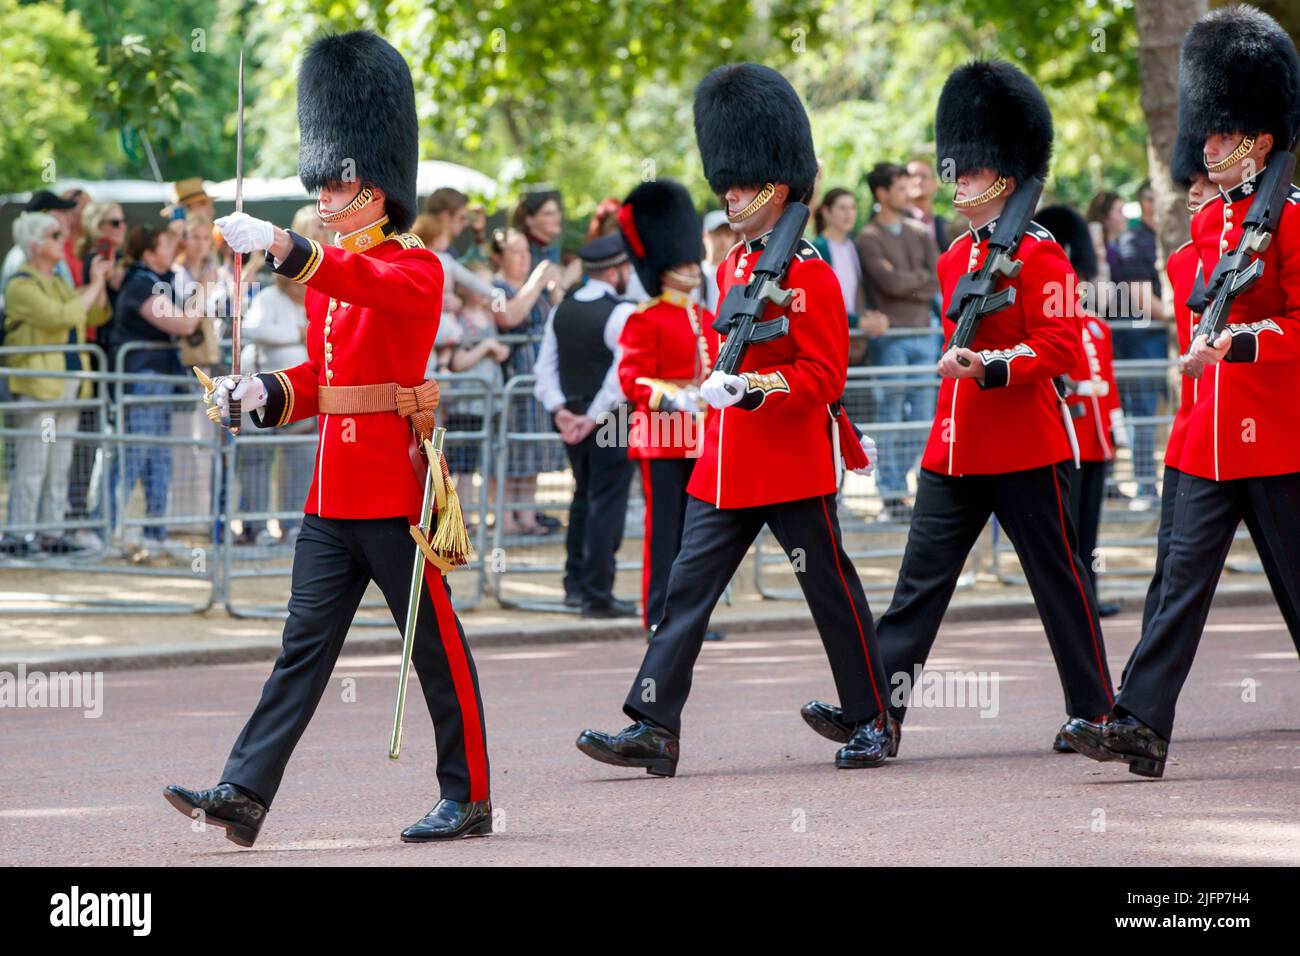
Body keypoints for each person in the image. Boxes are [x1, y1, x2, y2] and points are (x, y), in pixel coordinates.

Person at [162, 30, 492, 844]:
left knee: (435, 650)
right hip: (332, 495)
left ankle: (471, 795)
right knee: (299, 652)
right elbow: (325, 377)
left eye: (334, 188)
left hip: (394, 489)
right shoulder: (329, 273)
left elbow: (360, 278)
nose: (323, 199)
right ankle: (243, 791)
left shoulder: (412, 267)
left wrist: (284, 245)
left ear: (372, 191)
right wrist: (260, 392)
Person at [576, 63, 893, 777]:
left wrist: (750, 388)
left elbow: (823, 376)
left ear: (776, 186)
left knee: (829, 592)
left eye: (741, 184)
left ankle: (873, 717)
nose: (730, 193)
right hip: (725, 464)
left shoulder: (807, 270)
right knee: (685, 596)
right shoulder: (739, 265)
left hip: (787, 459)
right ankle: (655, 724)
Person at [806, 61, 1116, 755]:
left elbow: (1061, 348)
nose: (956, 183)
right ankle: (881, 719)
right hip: (954, 449)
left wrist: (994, 368)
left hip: (1027, 447)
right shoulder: (952, 258)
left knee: (1058, 584)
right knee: (918, 591)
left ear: (1004, 178)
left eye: (969, 174)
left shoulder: (1043, 258)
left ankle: (1097, 712)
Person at [1064, 6, 1300, 777]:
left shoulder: (1292, 223)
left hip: (1277, 433)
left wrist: (1245, 342)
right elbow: (1189, 305)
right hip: (1209, 438)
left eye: (1221, 135)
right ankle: (1140, 721)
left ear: (1260, 140)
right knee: (1177, 584)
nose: (1206, 147)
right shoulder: (1207, 230)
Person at [613, 178, 723, 638]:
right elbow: (631, 378)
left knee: (697, 538)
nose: (691, 269)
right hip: (661, 439)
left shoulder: (704, 317)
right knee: (665, 537)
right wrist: (671, 396)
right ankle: (659, 616)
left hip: (700, 435)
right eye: (681, 261)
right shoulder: (645, 317)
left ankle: (690, 619)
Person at [533, 234, 638, 617]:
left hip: (572, 418)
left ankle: (574, 585)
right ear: (614, 271)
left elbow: (544, 369)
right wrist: (592, 416)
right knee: (606, 503)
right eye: (625, 268)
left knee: (583, 499)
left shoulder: (564, 309)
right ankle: (597, 591)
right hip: (609, 419)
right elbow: (620, 374)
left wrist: (562, 411)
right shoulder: (623, 312)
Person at [0, 213, 110, 555]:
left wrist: (98, 281)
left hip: (69, 384)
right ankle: (20, 534)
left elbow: (94, 315)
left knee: (59, 463)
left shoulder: (60, 281)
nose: (62, 238)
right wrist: (92, 288)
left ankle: (49, 532)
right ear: (35, 244)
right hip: (39, 385)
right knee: (34, 463)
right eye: (54, 234)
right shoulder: (21, 284)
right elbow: (60, 316)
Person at [1036, 204, 1126, 622]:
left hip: (1097, 441)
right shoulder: (1054, 323)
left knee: (1088, 528)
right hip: (1068, 435)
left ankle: (1089, 595)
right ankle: (1071, 602)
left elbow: (1107, 385)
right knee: (1066, 529)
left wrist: (1115, 428)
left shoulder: (1096, 327)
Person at [235, 204, 325, 545]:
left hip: (304, 400)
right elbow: (253, 329)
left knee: (302, 459)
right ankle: (257, 526)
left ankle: (292, 524)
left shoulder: (321, 297)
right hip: (265, 394)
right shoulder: (271, 298)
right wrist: (295, 336)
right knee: (258, 459)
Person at [856, 162, 941, 516]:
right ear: (882, 193)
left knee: (923, 413)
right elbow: (887, 284)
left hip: (924, 334)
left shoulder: (919, 232)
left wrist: (908, 282)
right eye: (900, 187)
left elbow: (937, 276)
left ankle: (903, 481)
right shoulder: (868, 237)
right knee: (891, 412)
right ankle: (890, 491)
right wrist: (915, 282)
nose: (909, 193)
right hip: (891, 340)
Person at [108, 224, 196, 546]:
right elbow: (183, 324)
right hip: (143, 380)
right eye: (164, 245)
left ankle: (154, 532)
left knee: (159, 458)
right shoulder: (139, 285)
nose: (172, 249)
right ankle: (107, 528)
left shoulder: (162, 281)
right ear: (147, 253)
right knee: (133, 454)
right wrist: (207, 296)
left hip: (160, 381)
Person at [490, 226, 564, 536]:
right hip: (511, 379)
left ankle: (527, 515)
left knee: (533, 450)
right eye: (515, 252)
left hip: (540, 380)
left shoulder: (540, 290)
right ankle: (505, 517)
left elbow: (559, 313)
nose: (523, 258)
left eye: (526, 252)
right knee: (509, 451)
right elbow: (507, 317)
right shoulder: (493, 288)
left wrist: (555, 285)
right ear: (499, 257)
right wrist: (536, 282)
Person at [1110, 180, 1171, 501]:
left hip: (1166, 339)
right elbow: (1140, 296)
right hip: (1142, 340)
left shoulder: (1168, 236)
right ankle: (1145, 487)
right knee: (1144, 415)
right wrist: (1179, 319)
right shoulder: (1135, 240)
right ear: (1147, 202)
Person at [811, 187, 888, 365]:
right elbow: (823, 303)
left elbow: (856, 294)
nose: (849, 214)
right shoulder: (818, 248)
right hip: (831, 339)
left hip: (854, 340)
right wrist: (858, 322)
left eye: (852, 207)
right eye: (842, 208)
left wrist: (870, 316)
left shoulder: (853, 245)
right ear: (826, 212)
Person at [907, 156, 949, 253]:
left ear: (935, 184)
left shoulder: (944, 225)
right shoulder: (895, 222)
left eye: (923, 176)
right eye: (911, 176)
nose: (918, 181)